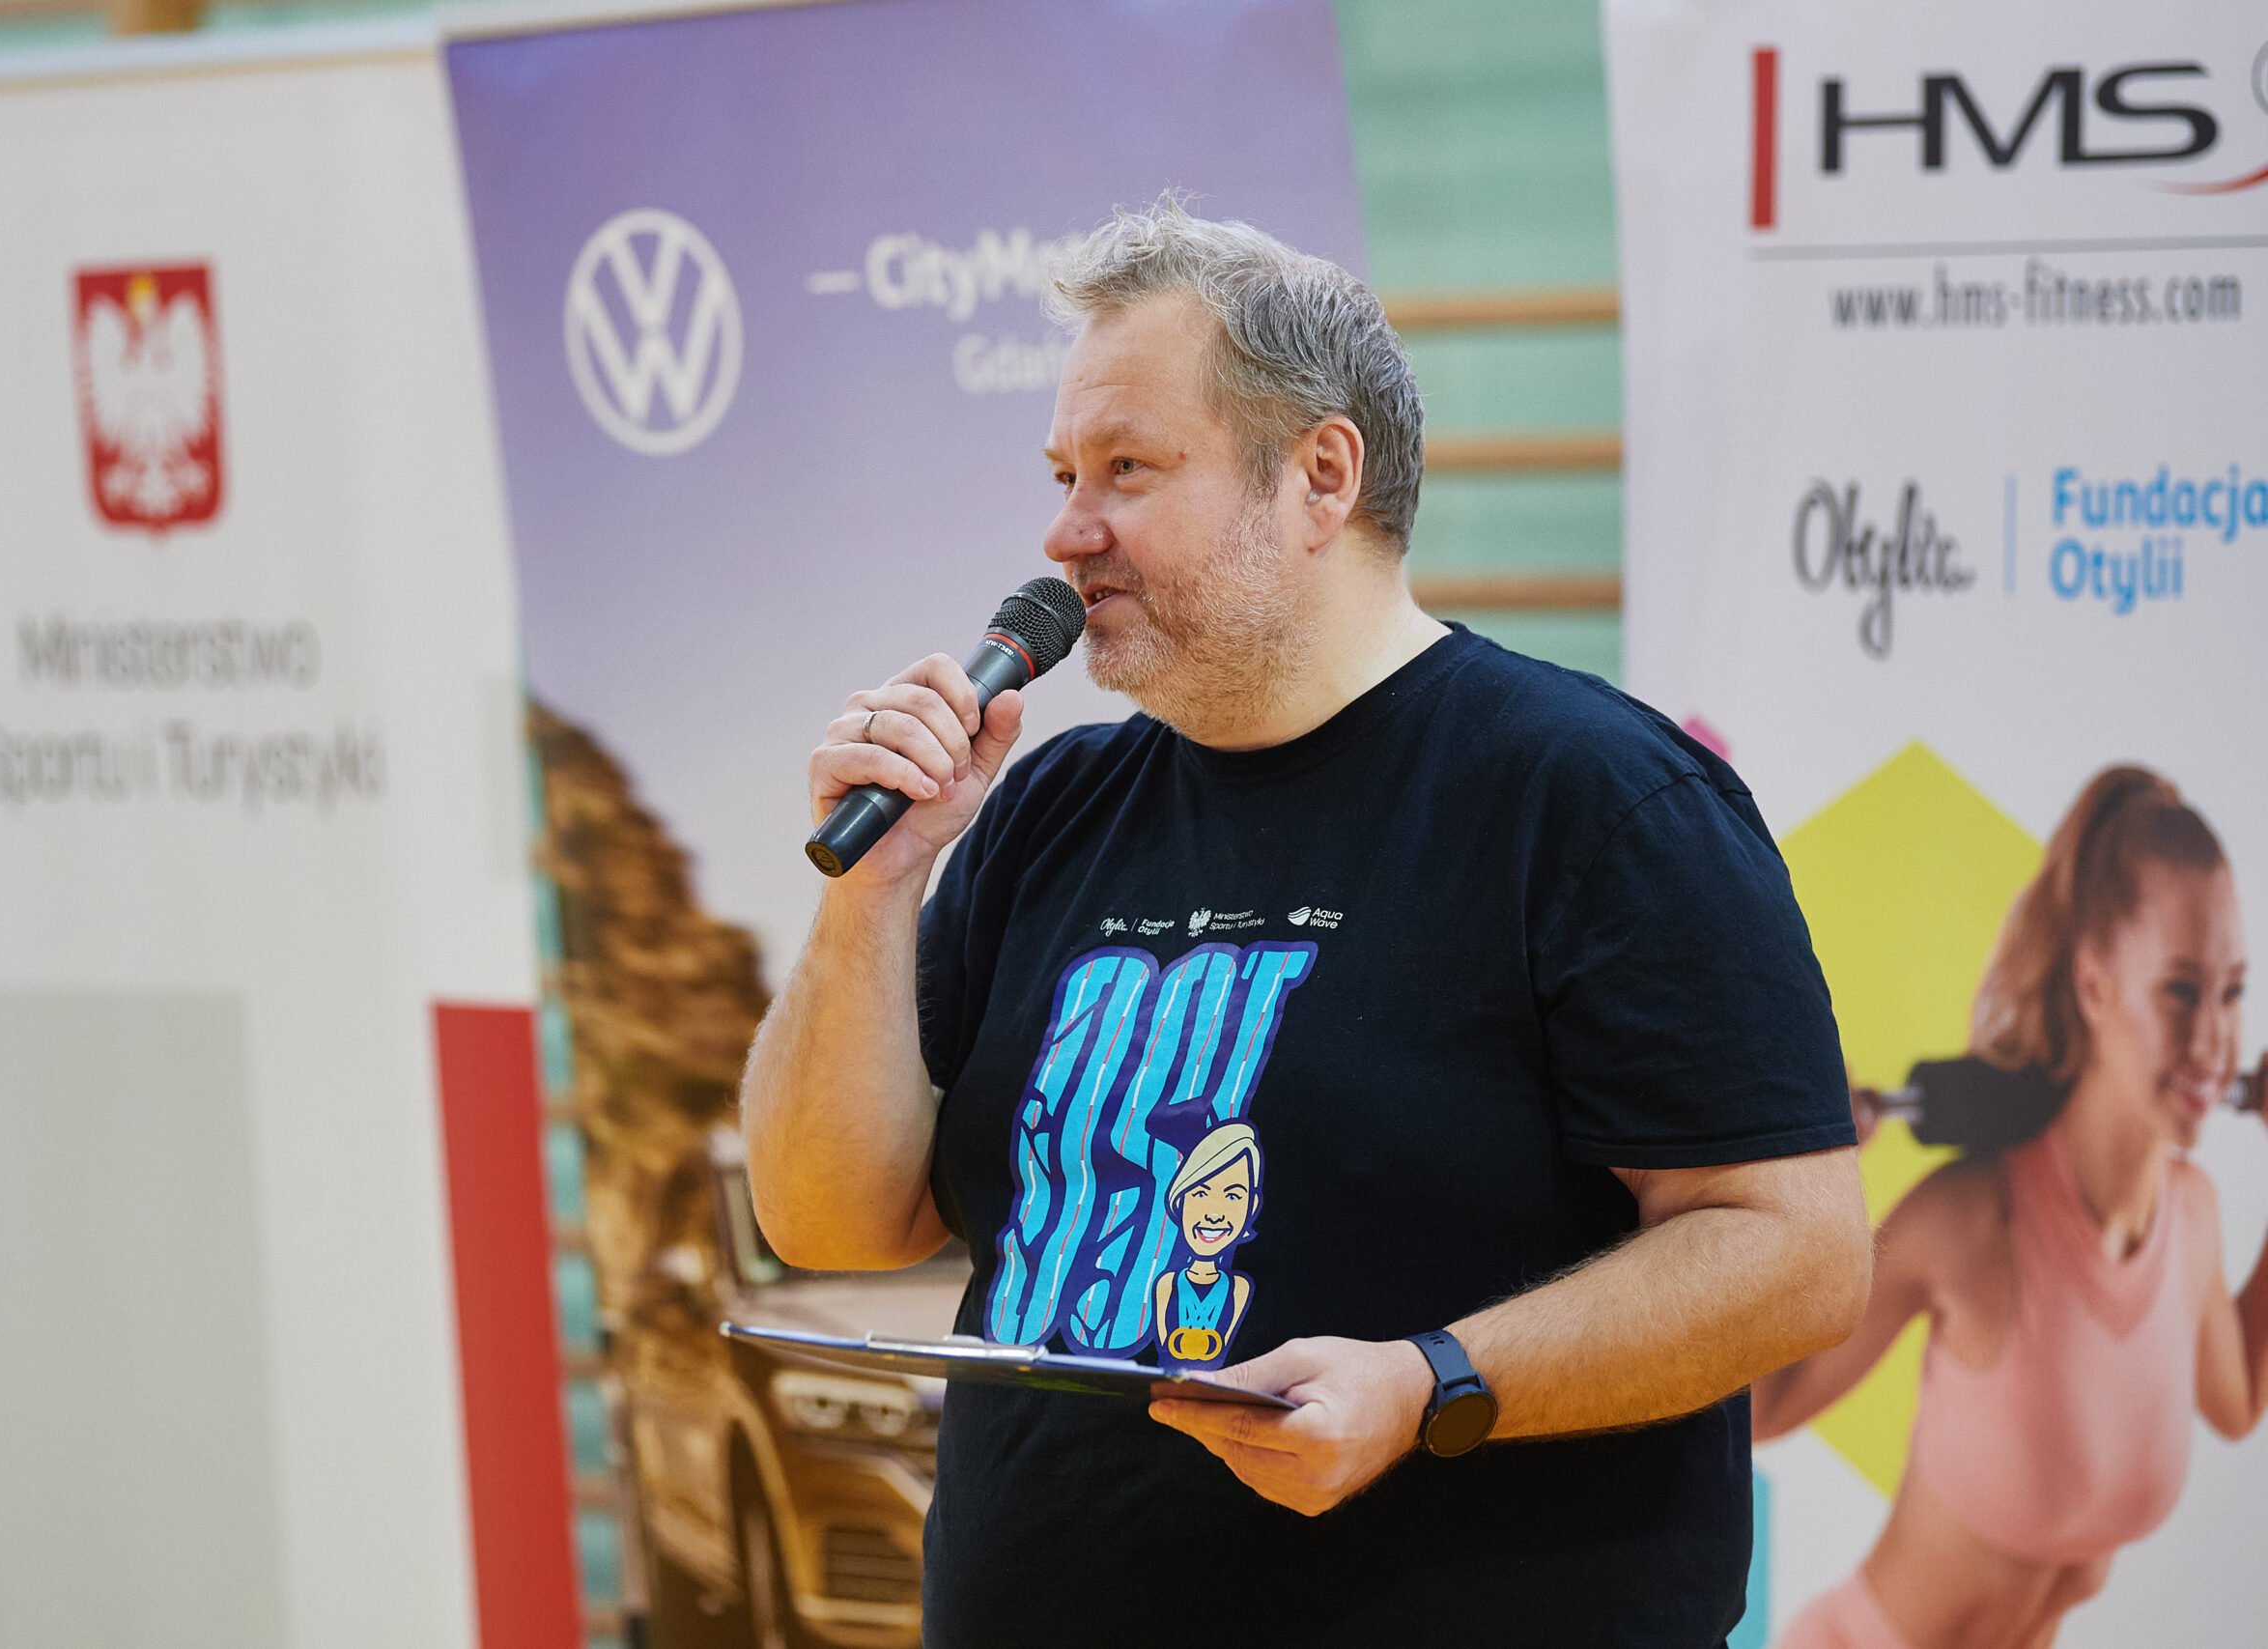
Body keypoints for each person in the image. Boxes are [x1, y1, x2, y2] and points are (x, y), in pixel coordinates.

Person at [740, 196, 1871, 1646]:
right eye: (1066, 473)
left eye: (1129, 469)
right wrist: (875, 888)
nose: (1067, 531)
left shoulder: (1592, 797)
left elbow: (1795, 1252)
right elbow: (829, 1217)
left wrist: (1431, 1383)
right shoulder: (1049, 809)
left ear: (1320, 475)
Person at [1760, 767, 2268, 1649]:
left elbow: (2239, 1400)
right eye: (2181, 990)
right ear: (2094, 983)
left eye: (2232, 992)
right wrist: (1796, 1177)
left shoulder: (2191, 1217)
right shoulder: (1974, 1221)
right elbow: (1763, 1409)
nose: (2214, 1041)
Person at [1153, 1121, 1263, 1370]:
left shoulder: (1239, 1287)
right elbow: (1165, 1352)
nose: (1214, 1214)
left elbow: (1223, 1349)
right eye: (1201, 1193)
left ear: (1252, 1206)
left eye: (1233, 1196)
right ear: (1180, 1199)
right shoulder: (1166, 1284)